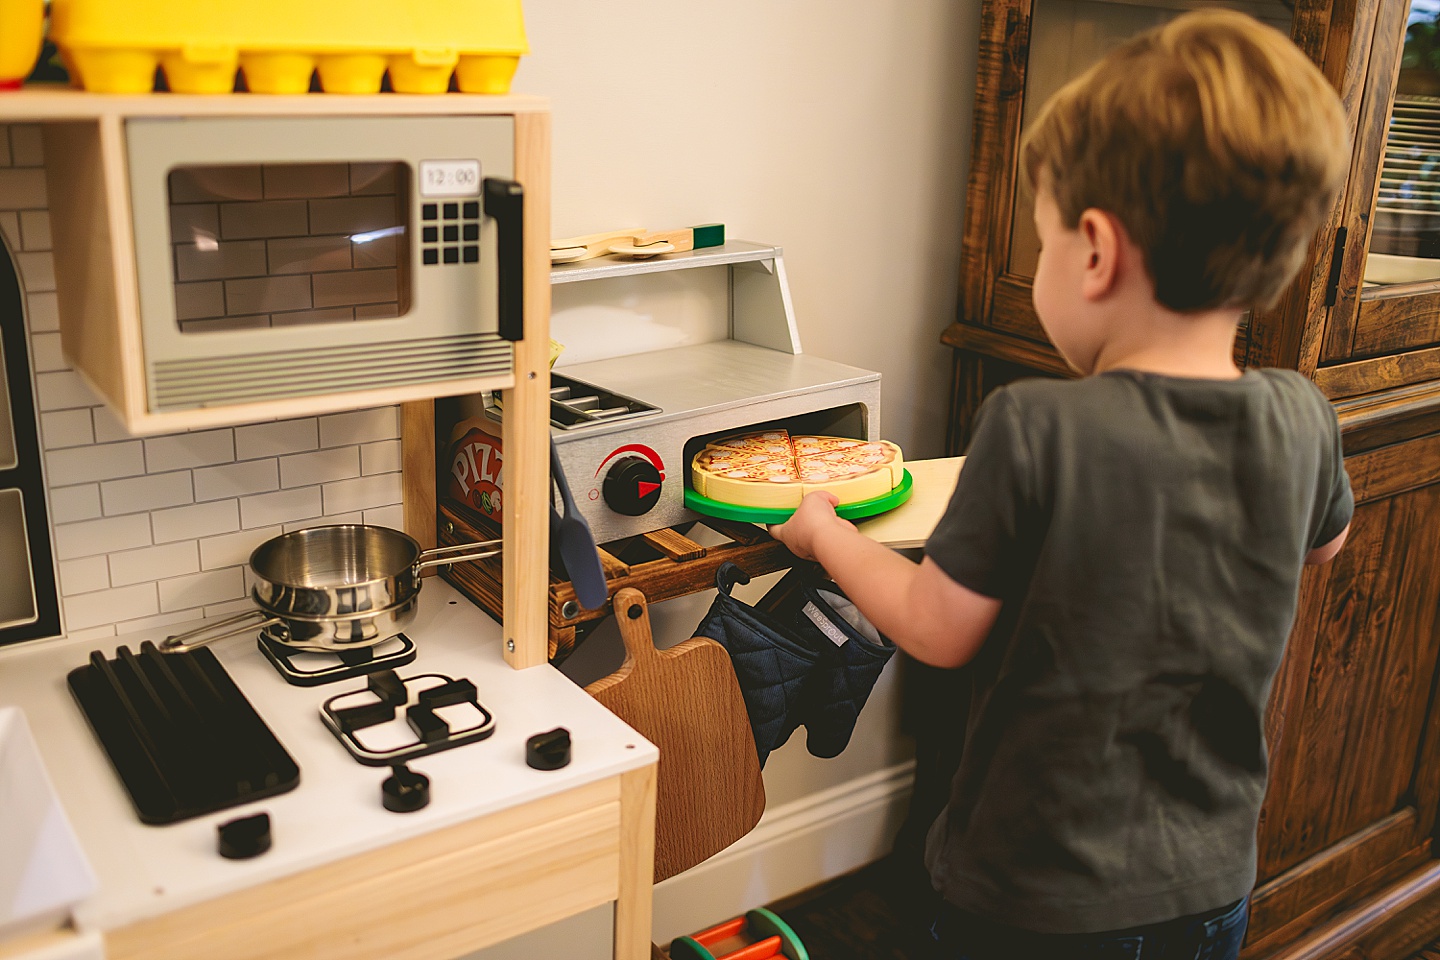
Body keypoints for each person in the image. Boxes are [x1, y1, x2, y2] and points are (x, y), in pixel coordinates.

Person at [768, 10, 1354, 959]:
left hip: (1034, 903)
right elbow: (1324, 541)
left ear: (1096, 250)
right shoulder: (1302, 416)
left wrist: (824, 533)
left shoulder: (1039, 425)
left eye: (1039, 244)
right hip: (1211, 889)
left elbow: (935, 626)